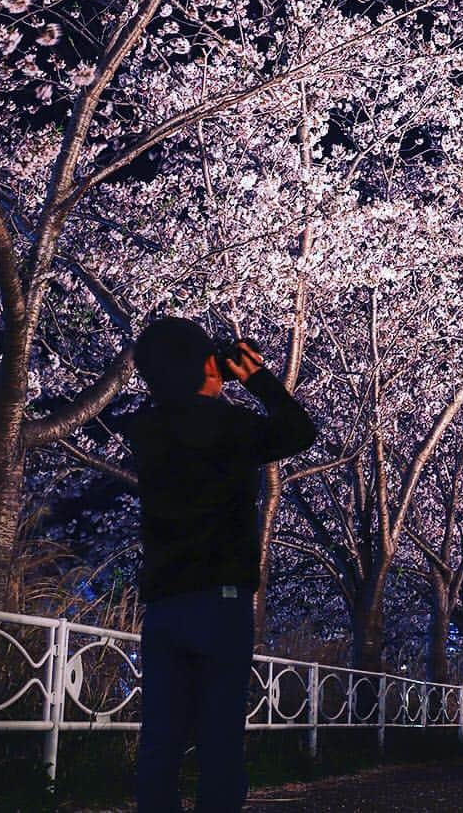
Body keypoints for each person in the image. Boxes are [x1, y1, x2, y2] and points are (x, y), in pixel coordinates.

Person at [126, 316, 318, 813]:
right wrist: (258, 380)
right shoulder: (231, 426)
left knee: (161, 736)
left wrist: (204, 374)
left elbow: (176, 399)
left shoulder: (145, 429)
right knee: (219, 737)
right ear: (207, 365)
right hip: (221, 601)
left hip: (165, 603)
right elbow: (299, 431)